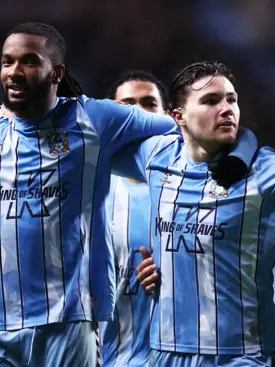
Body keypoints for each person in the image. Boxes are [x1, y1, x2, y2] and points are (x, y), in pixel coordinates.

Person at [0, 23, 258, 366]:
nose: (15, 72)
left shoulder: (94, 118)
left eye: (30, 61)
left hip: (67, 328)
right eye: (7, 61)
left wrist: (239, 152)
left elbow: (186, 129)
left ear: (57, 73)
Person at [121, 61, 275, 366]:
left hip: (241, 356)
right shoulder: (156, 155)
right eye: (211, 101)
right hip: (167, 352)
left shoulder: (265, 168)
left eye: (232, 99)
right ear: (178, 117)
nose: (227, 108)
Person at [99, 70, 169, 366]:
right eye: (128, 104)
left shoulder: (193, 189)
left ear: (169, 116)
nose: (139, 114)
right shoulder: (91, 193)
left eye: (149, 104)